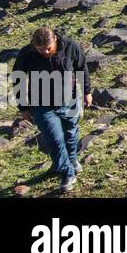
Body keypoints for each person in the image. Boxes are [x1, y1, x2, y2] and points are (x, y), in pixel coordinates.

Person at [13, 27, 90, 193]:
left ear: (55, 39)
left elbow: (81, 68)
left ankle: (72, 160)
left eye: (49, 48)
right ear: (34, 46)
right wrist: (23, 107)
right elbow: (18, 78)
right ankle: (67, 173)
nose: (46, 52)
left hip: (68, 100)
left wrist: (87, 92)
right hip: (41, 105)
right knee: (54, 139)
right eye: (41, 49)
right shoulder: (26, 54)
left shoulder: (70, 46)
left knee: (71, 133)